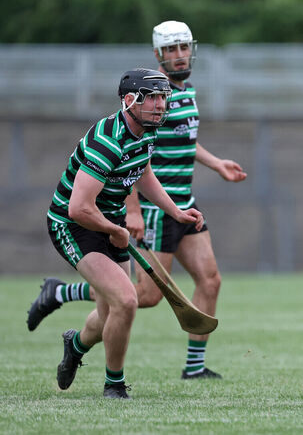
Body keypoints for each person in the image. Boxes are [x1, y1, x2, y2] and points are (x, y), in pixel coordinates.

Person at [28, 20, 247, 380]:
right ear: (158, 54)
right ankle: (63, 294)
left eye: (184, 47)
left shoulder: (181, 97)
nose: (180, 56)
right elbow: (120, 169)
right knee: (139, 296)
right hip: (137, 214)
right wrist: (132, 214)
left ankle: (193, 367)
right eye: (171, 50)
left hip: (177, 203)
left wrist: (215, 164)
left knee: (209, 280)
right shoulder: (137, 109)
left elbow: (164, 152)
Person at [46, 68, 204, 399]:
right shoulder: (108, 141)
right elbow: (79, 209)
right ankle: (114, 385)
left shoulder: (146, 130)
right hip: (73, 225)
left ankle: (74, 346)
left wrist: (174, 211)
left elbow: (142, 171)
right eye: (153, 99)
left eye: (164, 98)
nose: (161, 105)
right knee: (128, 300)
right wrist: (115, 230)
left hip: (108, 219)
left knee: (110, 313)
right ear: (130, 101)